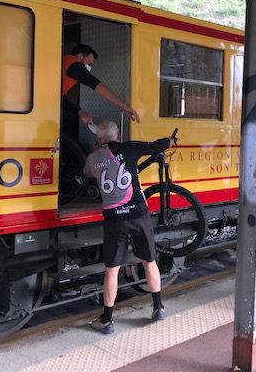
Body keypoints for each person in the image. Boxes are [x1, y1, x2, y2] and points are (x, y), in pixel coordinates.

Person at [83, 121, 173, 334]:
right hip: (138, 214)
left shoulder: (93, 158)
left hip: (114, 219)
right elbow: (156, 145)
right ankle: (158, 307)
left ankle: (107, 320)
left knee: (111, 271)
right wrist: (169, 141)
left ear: (99, 139)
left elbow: (87, 173)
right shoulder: (129, 148)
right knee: (149, 261)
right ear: (118, 135)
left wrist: (98, 157)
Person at [61, 43, 140, 151]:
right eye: (89, 64)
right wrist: (124, 106)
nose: (89, 68)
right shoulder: (73, 64)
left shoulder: (65, 67)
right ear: (79, 57)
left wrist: (79, 112)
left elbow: (60, 98)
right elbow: (96, 85)